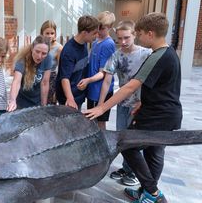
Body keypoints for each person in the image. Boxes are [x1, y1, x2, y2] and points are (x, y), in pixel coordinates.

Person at [84, 13, 181, 203]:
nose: (139, 37)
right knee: (153, 152)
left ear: (150, 34)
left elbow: (130, 86)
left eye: (140, 33)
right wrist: (143, 102)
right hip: (164, 113)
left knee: (125, 144)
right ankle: (147, 191)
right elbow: (164, 87)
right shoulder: (169, 53)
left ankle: (153, 194)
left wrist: (102, 108)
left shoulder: (157, 56)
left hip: (158, 116)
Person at [99, 20, 151, 186]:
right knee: (123, 139)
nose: (123, 42)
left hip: (141, 106)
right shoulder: (117, 55)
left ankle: (136, 172)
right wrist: (101, 106)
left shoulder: (147, 54)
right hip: (123, 104)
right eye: (119, 38)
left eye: (126, 37)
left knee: (136, 141)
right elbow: (107, 81)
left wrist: (144, 102)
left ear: (135, 34)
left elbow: (152, 82)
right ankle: (126, 168)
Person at [77, 11, 116, 129]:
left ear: (110, 27)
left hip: (100, 92)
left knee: (100, 122)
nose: (98, 31)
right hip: (92, 90)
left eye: (102, 28)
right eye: (97, 28)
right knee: (92, 121)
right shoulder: (95, 42)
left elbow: (103, 73)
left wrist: (88, 80)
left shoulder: (108, 44)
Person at [55, 15, 99, 110]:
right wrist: (70, 98)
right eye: (94, 33)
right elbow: (64, 78)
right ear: (84, 33)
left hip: (78, 94)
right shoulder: (69, 51)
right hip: (68, 98)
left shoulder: (84, 44)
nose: (96, 36)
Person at [7, 35, 51, 111]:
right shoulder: (22, 59)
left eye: (44, 53)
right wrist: (12, 101)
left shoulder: (48, 58)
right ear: (32, 49)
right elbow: (16, 81)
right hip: (21, 103)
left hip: (36, 102)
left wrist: (44, 106)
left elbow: (44, 83)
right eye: (37, 51)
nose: (39, 56)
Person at [40, 20, 63, 105]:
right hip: (39, 77)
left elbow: (61, 70)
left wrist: (57, 90)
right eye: (47, 33)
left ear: (55, 34)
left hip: (52, 79)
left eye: (52, 33)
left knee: (48, 105)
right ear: (42, 33)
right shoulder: (38, 45)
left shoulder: (59, 48)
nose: (50, 36)